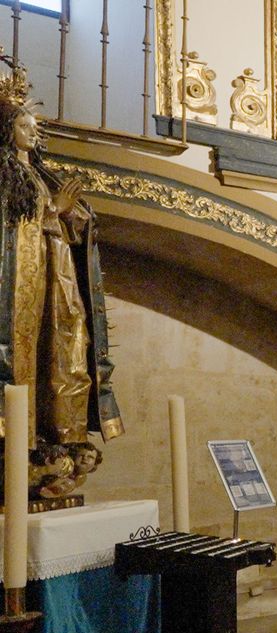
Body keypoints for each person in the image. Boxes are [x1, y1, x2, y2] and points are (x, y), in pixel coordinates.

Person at [0, 88, 122, 497]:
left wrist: (71, 214)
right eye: (22, 126)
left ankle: (58, 442)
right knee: (21, 354)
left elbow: (68, 220)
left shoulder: (41, 173)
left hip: (55, 271)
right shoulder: (5, 175)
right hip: (18, 279)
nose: (31, 134)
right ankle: (19, 448)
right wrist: (53, 208)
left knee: (66, 346)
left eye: (34, 128)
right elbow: (11, 225)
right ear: (7, 129)